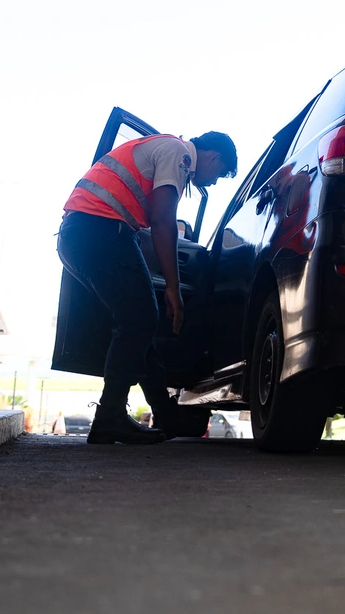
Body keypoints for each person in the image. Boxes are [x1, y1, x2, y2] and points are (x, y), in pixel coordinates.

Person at [58, 130, 238, 445]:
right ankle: (109, 416)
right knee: (138, 319)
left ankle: (164, 416)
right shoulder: (178, 153)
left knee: (139, 322)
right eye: (220, 174)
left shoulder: (163, 149)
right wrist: (174, 288)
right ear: (214, 156)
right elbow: (163, 220)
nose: (214, 181)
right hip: (99, 230)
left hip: (84, 233)